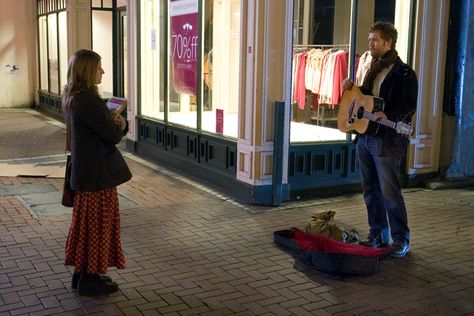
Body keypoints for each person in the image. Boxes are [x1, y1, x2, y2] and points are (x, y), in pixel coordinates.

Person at [343, 22, 418, 258]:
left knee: (389, 191)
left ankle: (400, 240)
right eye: (370, 39)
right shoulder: (373, 67)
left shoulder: (404, 73)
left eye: (374, 40)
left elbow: (409, 105)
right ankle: (377, 235)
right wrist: (351, 88)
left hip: (388, 139)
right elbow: (364, 96)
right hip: (366, 135)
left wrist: (391, 115)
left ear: (388, 42)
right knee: (370, 189)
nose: (370, 44)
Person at [62, 49, 132, 295]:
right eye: (99, 67)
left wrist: (107, 117)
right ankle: (89, 280)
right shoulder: (89, 100)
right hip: (96, 176)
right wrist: (119, 121)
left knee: (86, 227)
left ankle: (82, 274)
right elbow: (112, 136)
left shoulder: (73, 97)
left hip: (85, 174)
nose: (102, 71)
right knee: (97, 227)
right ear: (88, 70)